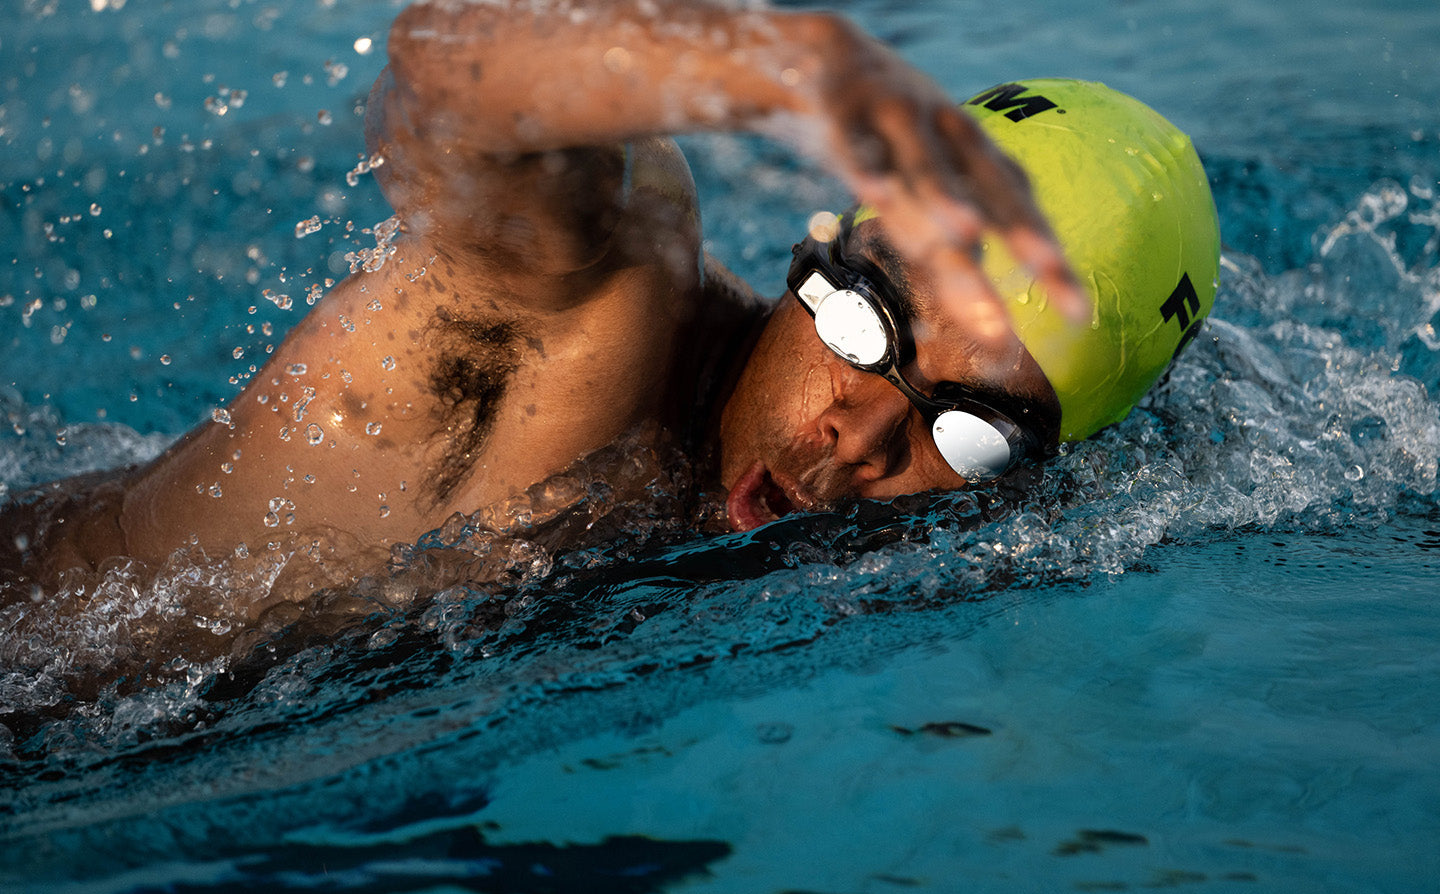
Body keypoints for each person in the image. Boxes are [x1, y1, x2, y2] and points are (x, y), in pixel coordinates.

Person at [1, 0, 1218, 620]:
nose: (860, 436)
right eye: (863, 328)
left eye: (971, 433)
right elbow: (447, 72)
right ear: (814, 258)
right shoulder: (594, 303)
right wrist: (783, 64)